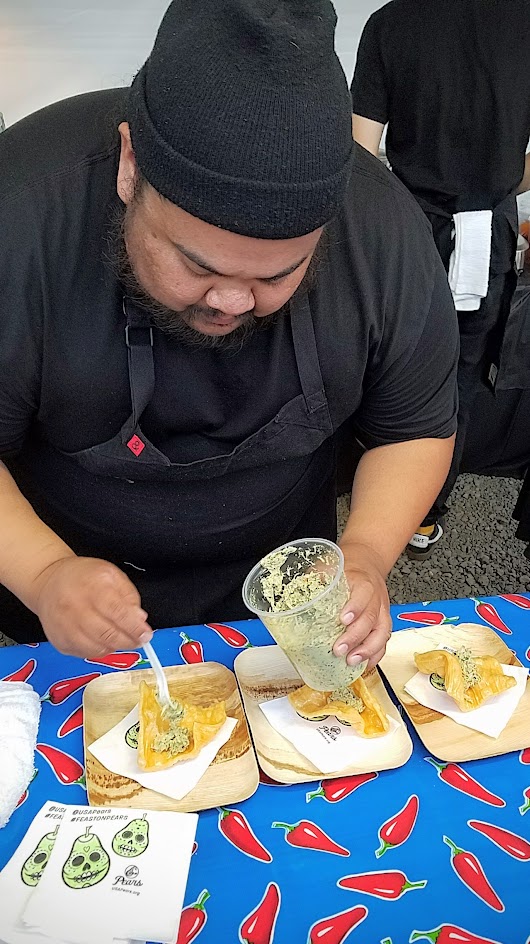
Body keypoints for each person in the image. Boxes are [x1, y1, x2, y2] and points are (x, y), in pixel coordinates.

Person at [0, 0, 458, 665]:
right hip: (62, 588)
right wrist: (43, 574)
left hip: (285, 603)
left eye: (280, 273)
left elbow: (413, 426)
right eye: (196, 264)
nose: (233, 300)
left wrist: (363, 557)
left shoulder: (381, 230)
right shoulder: (22, 218)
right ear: (131, 167)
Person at [351, 0, 530, 560]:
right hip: (488, 230)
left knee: (380, 363)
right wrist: (496, 186)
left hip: (403, 226)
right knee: (461, 379)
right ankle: (424, 514)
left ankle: (367, 504)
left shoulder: (391, 20)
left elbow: (359, 147)